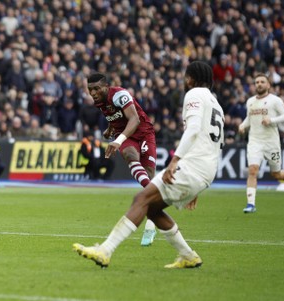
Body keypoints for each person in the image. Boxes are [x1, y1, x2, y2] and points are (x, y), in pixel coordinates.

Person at [73, 61, 224, 269]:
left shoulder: (194, 95)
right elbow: (211, 143)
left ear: (190, 78)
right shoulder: (216, 104)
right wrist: (198, 181)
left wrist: (175, 161)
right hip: (206, 169)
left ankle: (105, 250)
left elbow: (194, 129)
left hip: (189, 165)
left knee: (142, 198)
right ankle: (188, 255)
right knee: (151, 208)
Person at [85, 72, 158, 246]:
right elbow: (116, 115)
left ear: (106, 86)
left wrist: (117, 141)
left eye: (96, 89)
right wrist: (111, 129)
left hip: (144, 132)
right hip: (125, 136)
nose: (93, 93)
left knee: (149, 175)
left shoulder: (119, 94)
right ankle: (157, 195)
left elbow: (133, 118)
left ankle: (151, 223)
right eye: (90, 90)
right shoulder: (99, 102)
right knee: (129, 155)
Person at [238, 74, 284, 213]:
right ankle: (251, 204)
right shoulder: (250, 102)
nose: (259, 84)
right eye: (257, 82)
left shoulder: (275, 101)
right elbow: (249, 118)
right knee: (253, 170)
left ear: (268, 85)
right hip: (255, 141)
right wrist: (243, 125)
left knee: (276, 174)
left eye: (262, 82)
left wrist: (271, 120)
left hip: (271, 143)